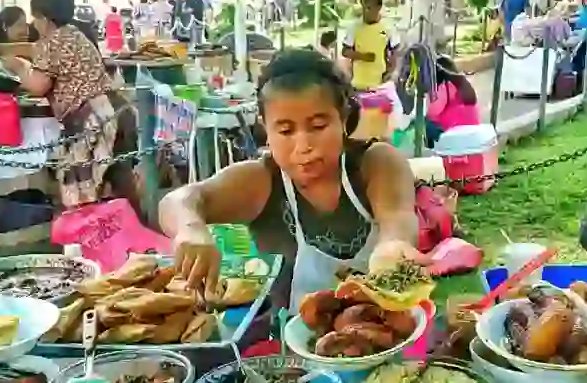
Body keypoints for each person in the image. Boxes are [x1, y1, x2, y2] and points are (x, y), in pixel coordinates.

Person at [158, 48, 422, 308]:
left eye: (318, 126)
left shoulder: (375, 163)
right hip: (290, 344)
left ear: (343, 119)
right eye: (285, 131)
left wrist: (394, 247)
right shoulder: (261, 180)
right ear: (266, 128)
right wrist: (190, 229)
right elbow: (179, 200)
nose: (304, 145)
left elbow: (397, 218)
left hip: (383, 331)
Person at [2, 0, 138, 210]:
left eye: (35, 18)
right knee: (119, 183)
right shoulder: (75, 34)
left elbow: (37, 85)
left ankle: (89, 238)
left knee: (81, 190)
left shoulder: (51, 41)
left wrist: (17, 67)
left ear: (45, 19)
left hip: (92, 119)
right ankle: (133, 232)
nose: (33, 25)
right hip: (116, 110)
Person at [342, 0, 398, 91]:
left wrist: (390, 71)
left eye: (368, 8)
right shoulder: (354, 27)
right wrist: (362, 56)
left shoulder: (388, 28)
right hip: (358, 85)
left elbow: (394, 54)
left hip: (380, 86)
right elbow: (345, 51)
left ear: (378, 8)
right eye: (363, 8)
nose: (364, 12)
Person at [426, 55, 478, 145]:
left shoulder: (445, 87)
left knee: (426, 124)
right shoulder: (463, 84)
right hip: (471, 133)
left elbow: (432, 112)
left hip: (454, 135)